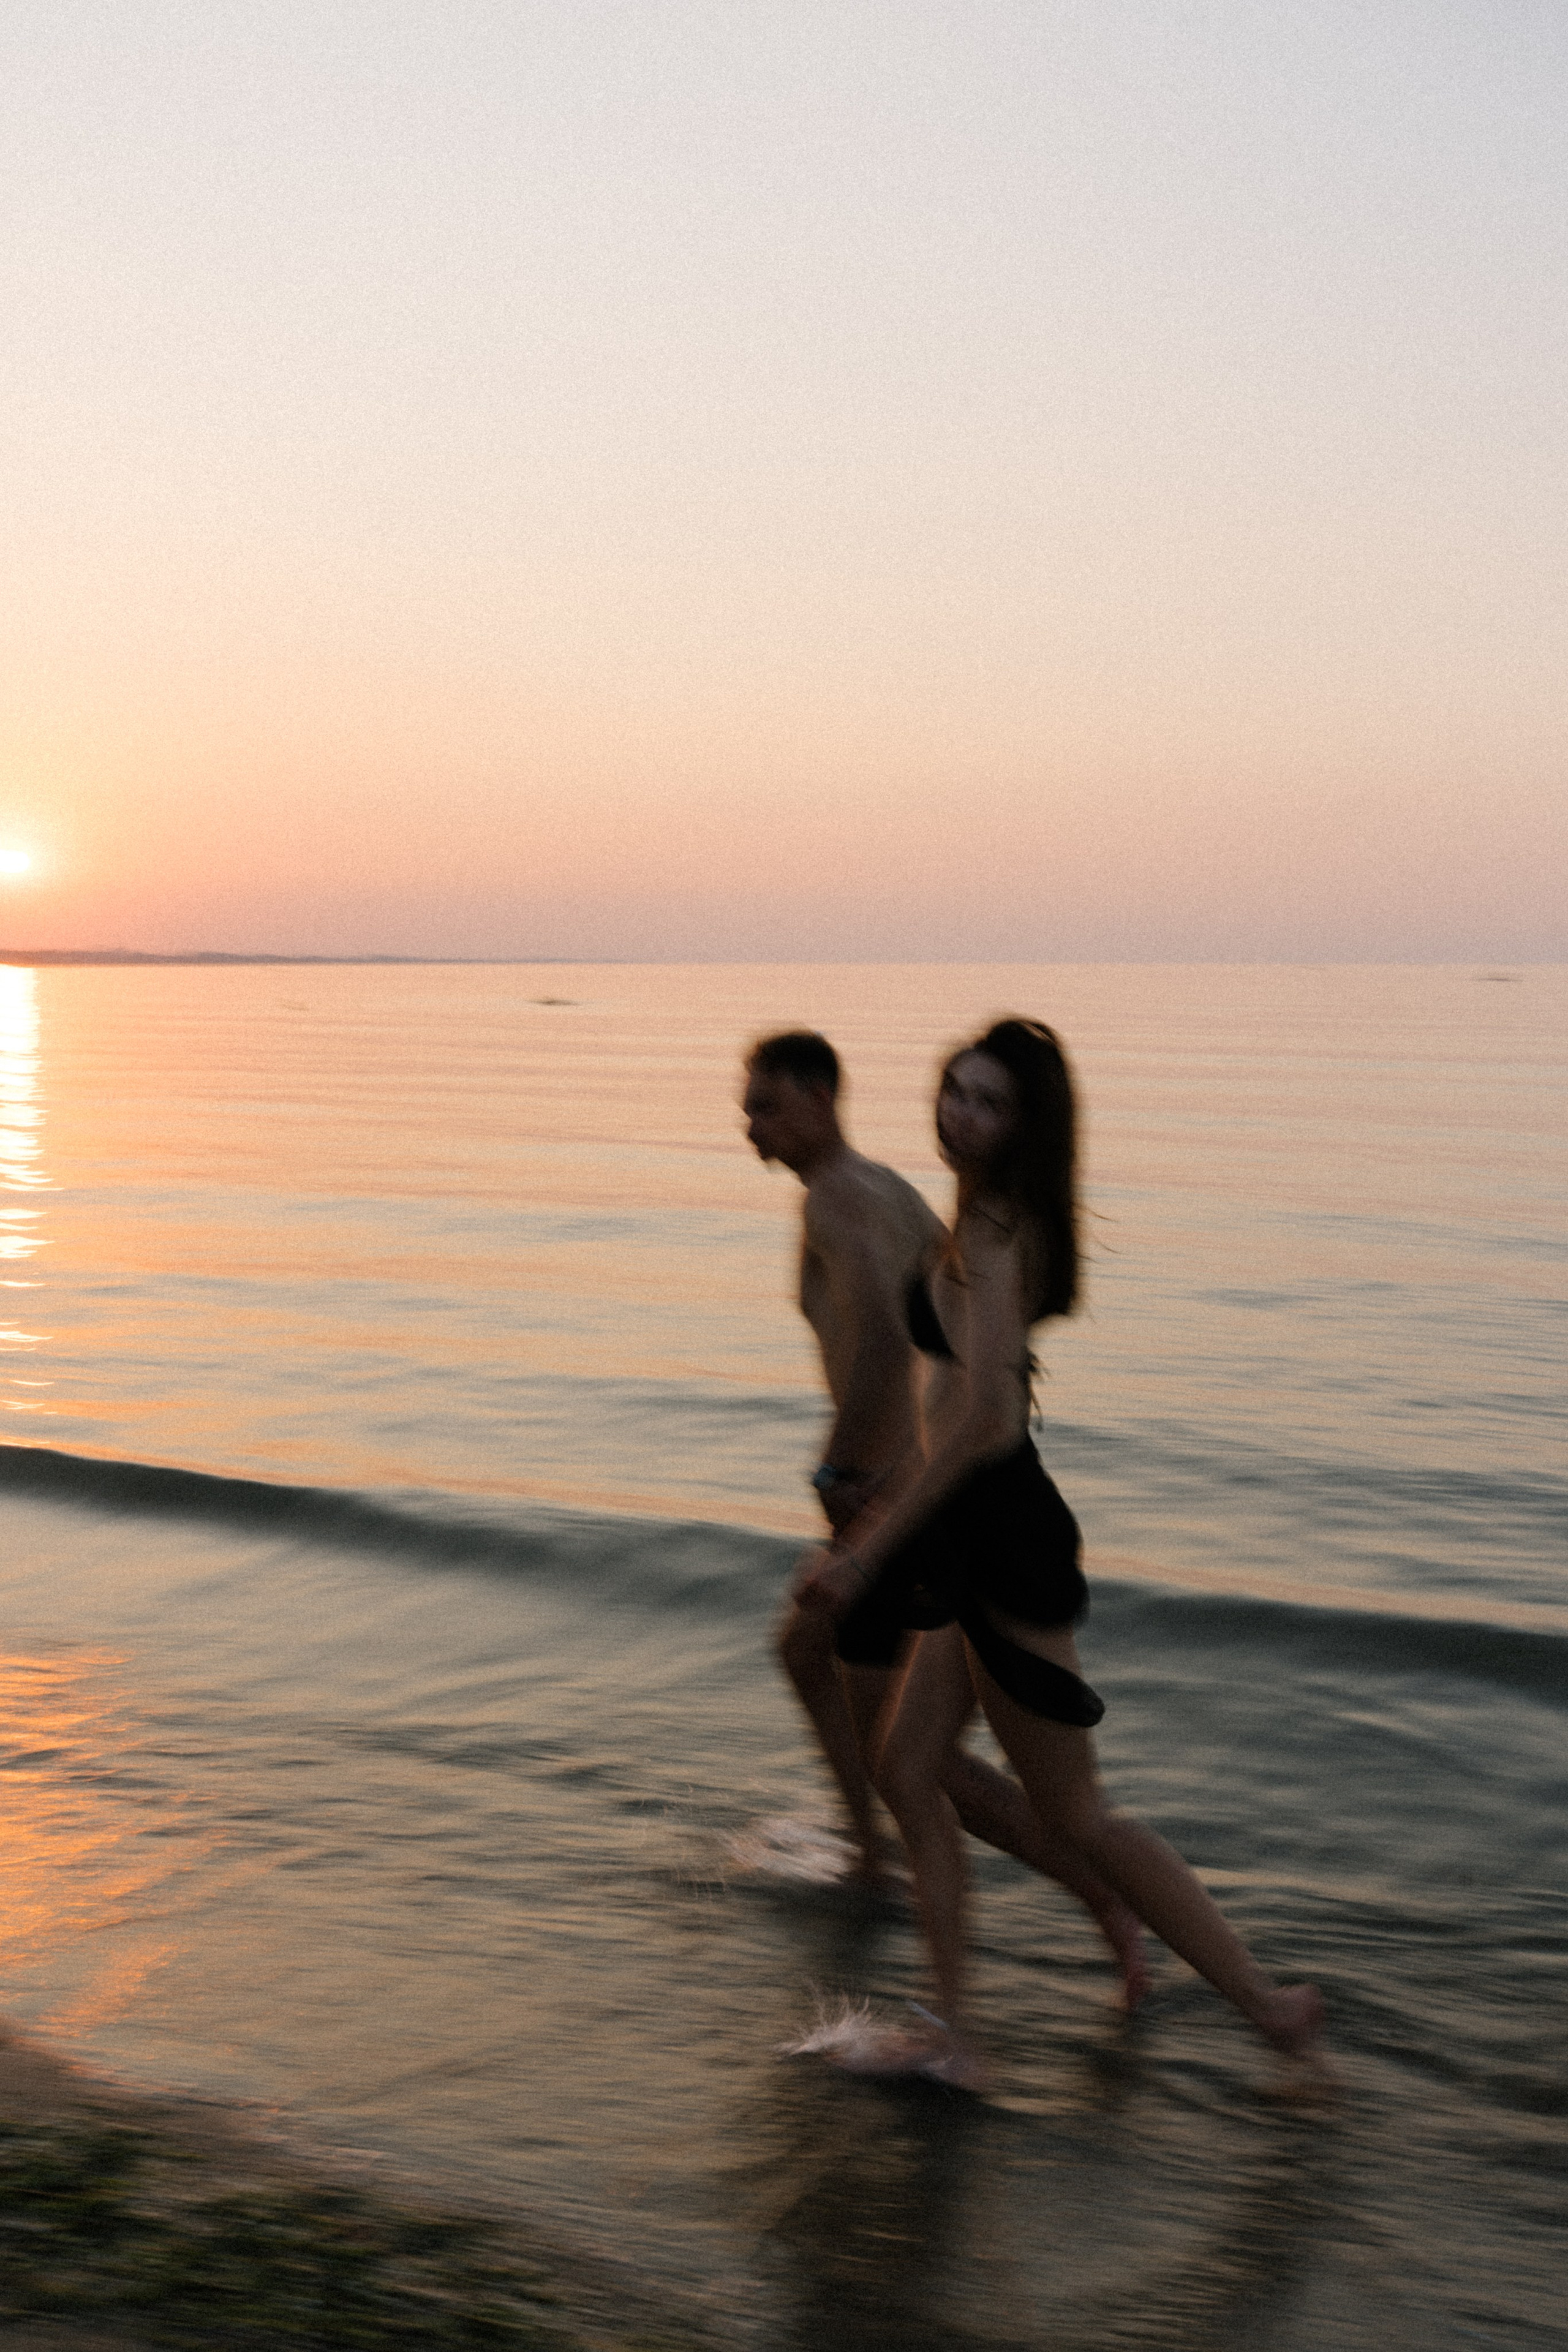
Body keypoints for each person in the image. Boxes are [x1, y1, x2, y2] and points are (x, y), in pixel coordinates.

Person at [793, 1019, 1327, 2091]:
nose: (960, 1113)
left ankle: (1269, 2009)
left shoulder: (998, 1231)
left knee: (1077, 1814)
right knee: (907, 1765)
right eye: (955, 1090)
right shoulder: (972, 1221)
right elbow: (950, 1409)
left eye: (988, 1102)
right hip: (966, 1530)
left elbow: (984, 1421)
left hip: (1004, 1541)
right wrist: (878, 1524)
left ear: (1025, 1127)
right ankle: (953, 2031)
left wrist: (865, 1554)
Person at [742, 1031, 1146, 1999]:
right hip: (917, 1499)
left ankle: (1094, 1897)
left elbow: (893, 1343)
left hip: (900, 1504)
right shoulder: (891, 1189)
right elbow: (962, 1333)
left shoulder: (838, 1200)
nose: (750, 1126)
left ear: (817, 1098)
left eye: (764, 1105)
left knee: (923, 1763)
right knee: (818, 1664)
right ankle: (875, 1853)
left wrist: (849, 1477)